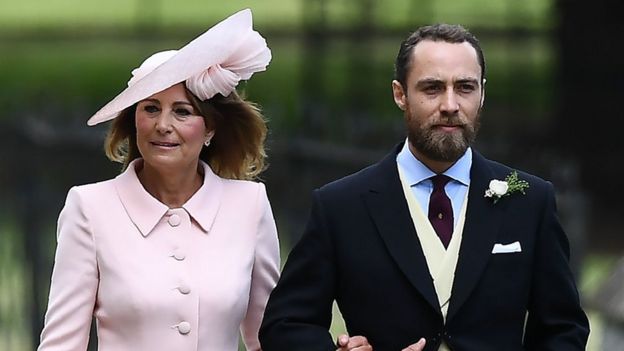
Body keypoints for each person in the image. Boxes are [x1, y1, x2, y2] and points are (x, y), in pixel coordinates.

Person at [259, 24, 589, 351]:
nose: (450, 104)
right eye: (432, 88)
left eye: (465, 87)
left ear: (482, 93)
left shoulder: (530, 201)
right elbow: (284, 325)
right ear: (400, 94)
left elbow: (563, 329)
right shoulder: (341, 207)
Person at [38, 9, 280, 351]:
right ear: (133, 120)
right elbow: (62, 345)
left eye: (182, 111)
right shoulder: (90, 208)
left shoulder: (250, 204)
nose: (162, 124)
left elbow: (270, 338)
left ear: (210, 128)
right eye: (150, 108)